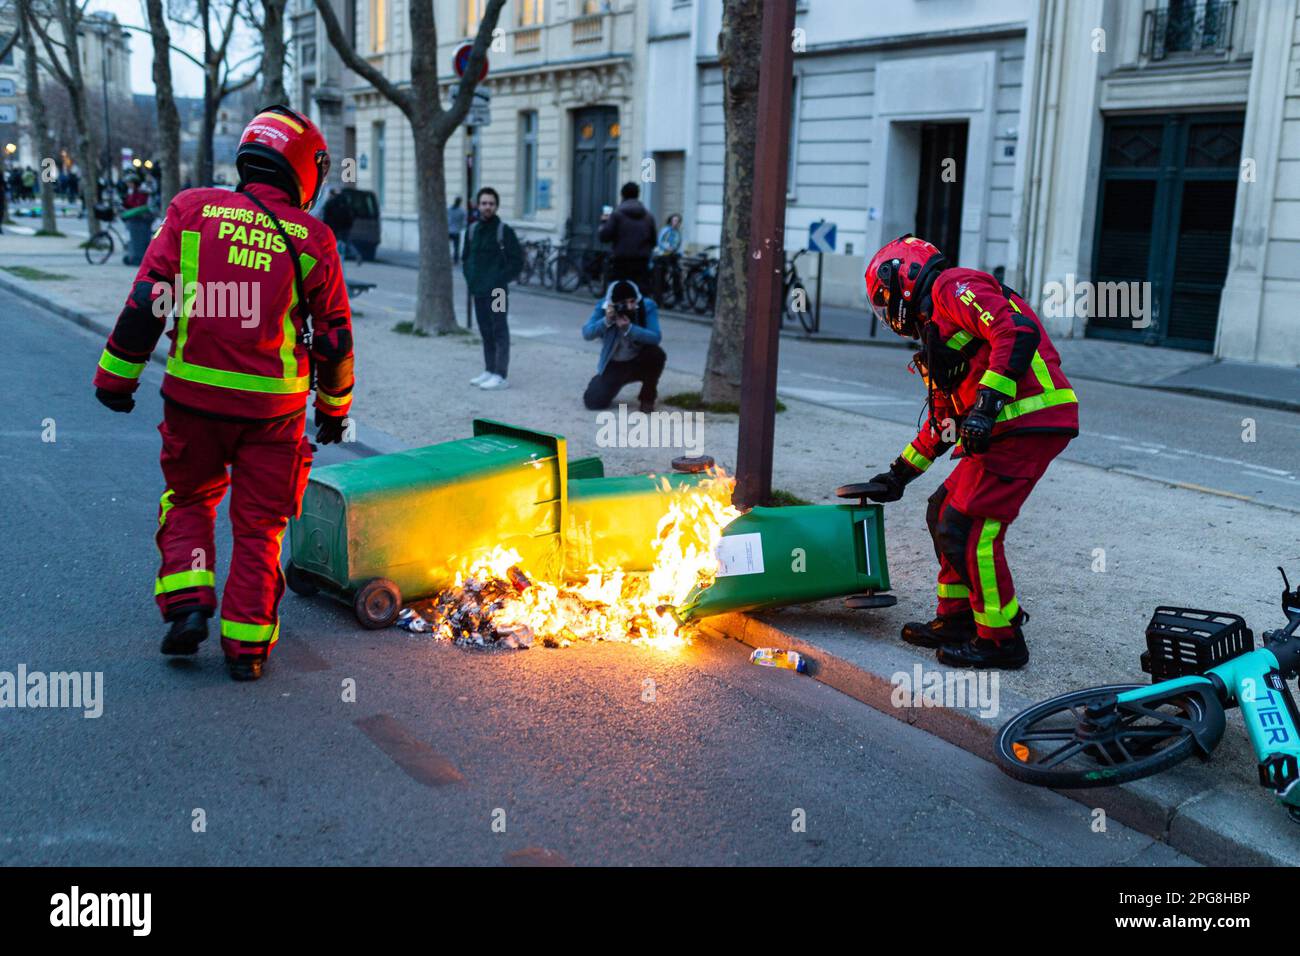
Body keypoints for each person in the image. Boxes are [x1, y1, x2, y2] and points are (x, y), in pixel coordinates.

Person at [91, 105, 354, 682]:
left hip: (193, 401)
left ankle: (187, 606)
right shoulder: (312, 237)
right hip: (273, 413)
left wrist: (116, 377)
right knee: (260, 527)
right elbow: (333, 338)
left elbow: (147, 302)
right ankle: (247, 650)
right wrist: (334, 411)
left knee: (188, 501)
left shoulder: (191, 210)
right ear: (303, 169)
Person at [860, 234, 1078, 671]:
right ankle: (956, 620)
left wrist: (987, 405)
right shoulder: (935, 333)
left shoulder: (951, 287)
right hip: (1002, 426)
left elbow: (1015, 331)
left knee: (971, 529)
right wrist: (898, 474)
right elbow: (943, 422)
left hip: (1026, 421)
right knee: (942, 512)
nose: (889, 315)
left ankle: (1001, 641)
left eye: (886, 301)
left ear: (902, 275)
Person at [462, 186, 523, 391]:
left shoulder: (504, 231)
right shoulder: (472, 231)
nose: (487, 207)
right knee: (485, 330)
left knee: (499, 330)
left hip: (498, 292)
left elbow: (517, 261)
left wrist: (499, 280)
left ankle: (500, 375)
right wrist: (471, 279)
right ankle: (489, 370)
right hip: (478, 290)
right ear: (477, 206)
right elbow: (465, 258)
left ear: (496, 206)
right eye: (484, 203)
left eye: (491, 204)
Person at [581, 279, 665, 414]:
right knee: (593, 402)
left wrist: (630, 329)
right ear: (613, 303)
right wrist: (606, 321)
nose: (629, 307)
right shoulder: (604, 306)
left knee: (656, 354)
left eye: (632, 302)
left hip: (639, 360)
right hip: (616, 363)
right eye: (623, 304)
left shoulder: (646, 306)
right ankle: (601, 379)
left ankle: (647, 398)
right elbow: (587, 333)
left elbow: (655, 337)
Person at [598, 182, 657, 287]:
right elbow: (653, 241)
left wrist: (604, 223)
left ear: (622, 195)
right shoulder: (648, 216)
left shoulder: (617, 214)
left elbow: (604, 237)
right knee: (640, 292)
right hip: (642, 261)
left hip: (621, 261)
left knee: (620, 293)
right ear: (638, 195)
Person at [322, 187, 355, 261]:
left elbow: (326, 218)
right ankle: (353, 256)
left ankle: (337, 259)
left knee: (337, 246)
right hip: (342, 229)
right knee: (344, 245)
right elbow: (349, 218)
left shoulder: (330, 204)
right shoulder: (343, 204)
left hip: (334, 229)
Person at [447, 196, 466, 265]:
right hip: (456, 232)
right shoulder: (462, 211)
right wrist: (460, 227)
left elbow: (446, 219)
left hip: (449, 230)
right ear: (460, 202)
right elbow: (464, 223)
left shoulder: (449, 209)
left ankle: (447, 258)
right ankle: (455, 260)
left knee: (447, 246)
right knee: (456, 247)